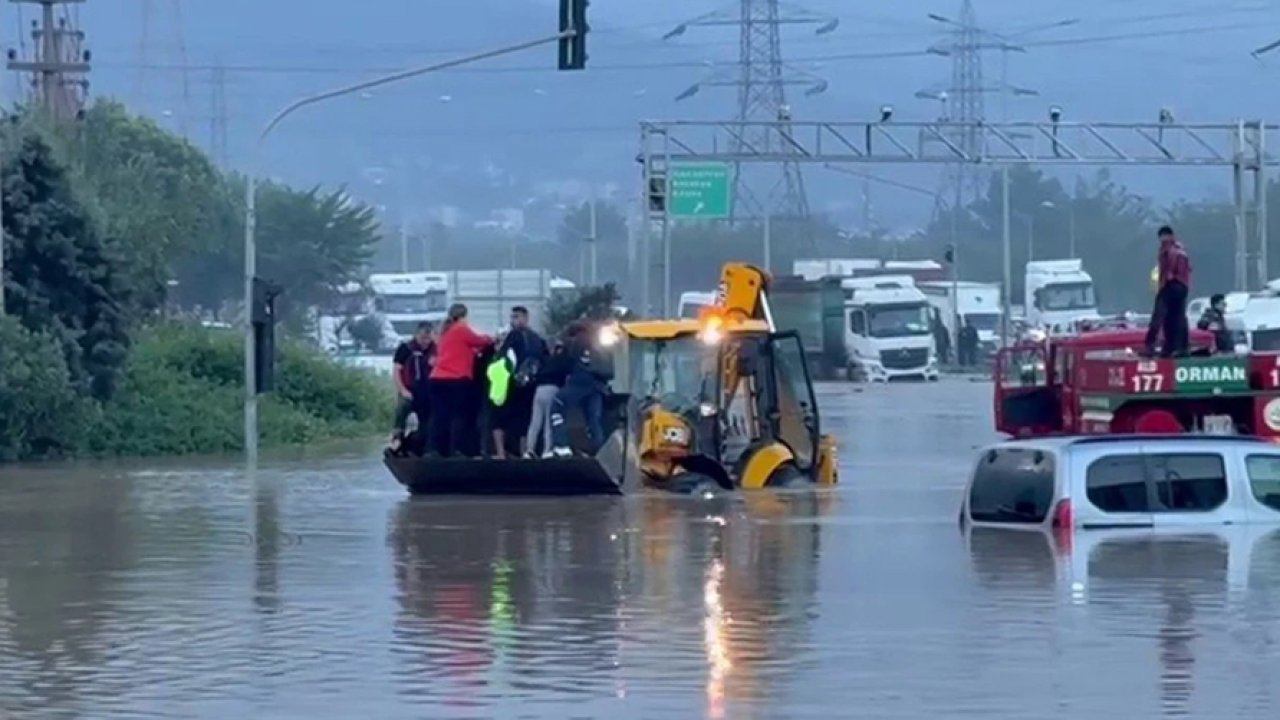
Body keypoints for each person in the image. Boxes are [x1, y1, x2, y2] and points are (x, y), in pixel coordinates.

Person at [427, 303, 493, 457]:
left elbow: (461, 349)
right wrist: (492, 338)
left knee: (439, 417)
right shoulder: (461, 329)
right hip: (455, 379)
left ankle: (434, 450)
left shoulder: (445, 332)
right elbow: (481, 341)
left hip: (437, 379)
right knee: (459, 416)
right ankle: (458, 450)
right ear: (464, 316)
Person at [548, 321, 612, 457]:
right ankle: (599, 451)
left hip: (578, 383)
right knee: (593, 419)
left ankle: (561, 445)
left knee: (557, 406)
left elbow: (561, 363)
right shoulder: (599, 345)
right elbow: (609, 371)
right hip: (596, 388)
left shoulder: (573, 342)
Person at [490, 306, 546, 459]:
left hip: (509, 384)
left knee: (499, 417)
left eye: (516, 317)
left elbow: (502, 358)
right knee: (524, 419)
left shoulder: (513, 336)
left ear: (525, 318)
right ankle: (523, 452)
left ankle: (501, 452)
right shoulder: (537, 338)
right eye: (512, 317)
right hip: (530, 384)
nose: (513, 320)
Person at [1145, 225, 1192, 357]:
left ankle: (1153, 345)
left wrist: (1167, 281)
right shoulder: (1174, 250)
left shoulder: (1172, 251)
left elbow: (1169, 271)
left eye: (1164, 236)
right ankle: (1176, 346)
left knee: (1162, 316)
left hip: (1173, 285)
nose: (1162, 239)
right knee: (1175, 317)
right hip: (1179, 286)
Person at [390, 322, 435, 454]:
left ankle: (421, 445)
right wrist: (403, 390)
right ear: (416, 335)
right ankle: (397, 439)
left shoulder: (435, 349)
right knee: (402, 409)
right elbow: (397, 371)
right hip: (409, 390)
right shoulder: (405, 348)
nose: (425, 342)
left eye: (428, 338)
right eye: (422, 338)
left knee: (427, 419)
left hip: (427, 392)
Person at [525, 338, 571, 458]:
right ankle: (547, 450)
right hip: (552, 389)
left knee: (535, 422)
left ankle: (529, 450)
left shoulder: (545, 360)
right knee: (548, 423)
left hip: (539, 390)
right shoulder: (562, 361)